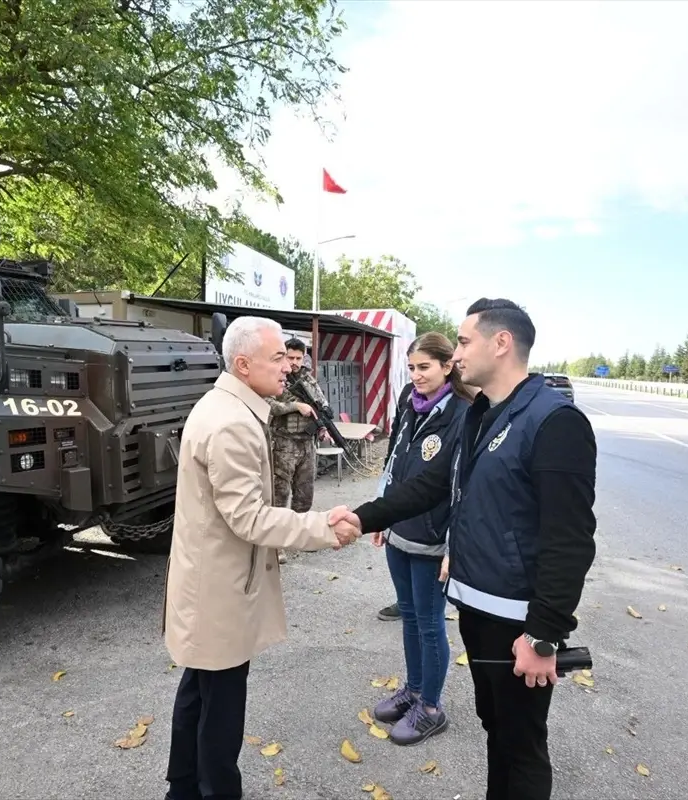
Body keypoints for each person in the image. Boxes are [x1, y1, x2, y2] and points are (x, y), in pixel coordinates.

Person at [332, 298, 597, 800]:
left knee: (520, 745)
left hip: (519, 622)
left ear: (502, 343)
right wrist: (362, 516)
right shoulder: (481, 414)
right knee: (495, 727)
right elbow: (431, 485)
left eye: (464, 340)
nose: (455, 352)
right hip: (476, 607)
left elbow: (570, 540)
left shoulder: (555, 421)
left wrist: (544, 635)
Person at [162, 315, 361, 800]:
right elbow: (248, 518)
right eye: (277, 358)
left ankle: (182, 788)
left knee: (199, 692)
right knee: (221, 707)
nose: (287, 368)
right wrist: (322, 527)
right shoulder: (232, 422)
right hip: (221, 589)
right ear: (244, 363)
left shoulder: (229, 406)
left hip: (213, 580)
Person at [369, 332, 472, 746]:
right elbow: (392, 461)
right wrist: (381, 513)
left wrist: (455, 543)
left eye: (424, 367)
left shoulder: (465, 413)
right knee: (409, 617)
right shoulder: (409, 405)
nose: (416, 375)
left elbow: (467, 485)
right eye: (411, 368)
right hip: (399, 533)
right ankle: (412, 691)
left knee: (430, 626)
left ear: (448, 366)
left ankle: (431, 708)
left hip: (434, 540)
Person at [267, 338, 330, 564]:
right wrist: (294, 406)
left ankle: (300, 537)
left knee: (305, 494)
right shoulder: (275, 376)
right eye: (290, 357)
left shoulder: (307, 377)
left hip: (306, 443)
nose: (293, 362)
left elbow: (320, 403)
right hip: (283, 443)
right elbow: (268, 405)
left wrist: (323, 427)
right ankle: (276, 545)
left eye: (298, 358)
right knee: (279, 495)